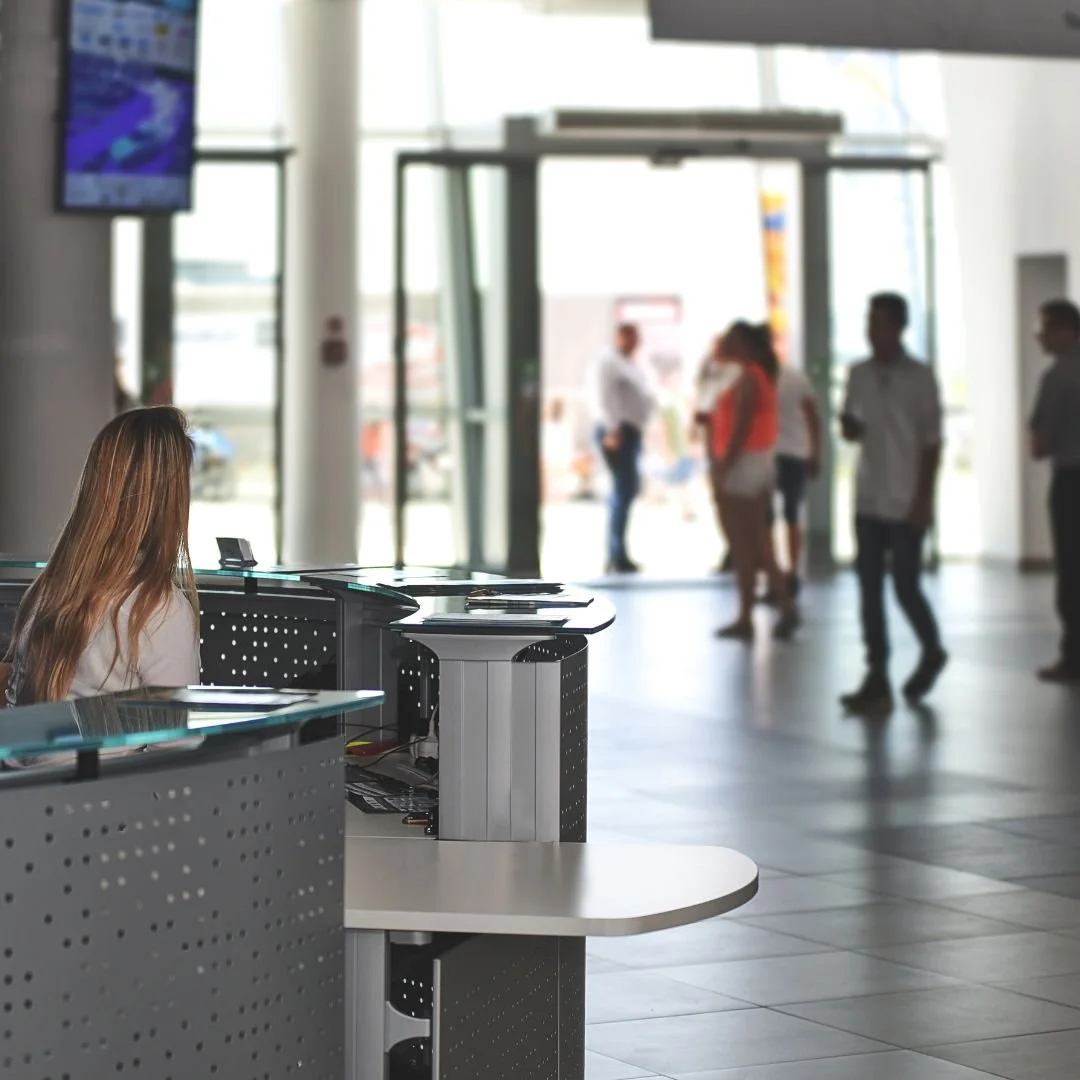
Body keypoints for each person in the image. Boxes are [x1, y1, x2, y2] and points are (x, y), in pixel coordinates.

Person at [5, 407, 200, 707]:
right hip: (117, 757)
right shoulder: (161, 611)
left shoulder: (45, 591)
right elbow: (174, 746)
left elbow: (14, 704)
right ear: (168, 501)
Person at [840, 293, 947, 712]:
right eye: (869, 322)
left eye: (881, 323)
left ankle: (931, 647)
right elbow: (852, 428)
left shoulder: (920, 378)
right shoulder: (858, 373)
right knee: (869, 590)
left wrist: (924, 500)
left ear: (900, 327)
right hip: (868, 497)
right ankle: (877, 674)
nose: (873, 331)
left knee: (905, 586)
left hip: (905, 498)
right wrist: (848, 426)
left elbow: (932, 443)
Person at [711, 322, 799, 641]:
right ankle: (777, 608)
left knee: (747, 545)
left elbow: (740, 428)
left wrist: (724, 466)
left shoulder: (748, 377)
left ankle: (751, 615)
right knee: (757, 544)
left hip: (745, 465)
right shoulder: (752, 376)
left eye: (732, 340)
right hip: (754, 463)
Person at [1030, 299, 1080, 683]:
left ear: (1065, 331)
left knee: (1071, 569)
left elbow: (1040, 443)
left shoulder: (1057, 376)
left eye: (1045, 329)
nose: (1039, 336)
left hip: (1071, 481)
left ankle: (1074, 656)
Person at [597, 323, 656, 573]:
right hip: (618, 432)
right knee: (622, 492)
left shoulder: (630, 363)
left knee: (627, 491)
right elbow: (605, 397)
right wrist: (612, 430)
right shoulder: (609, 362)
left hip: (630, 432)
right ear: (619, 337)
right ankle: (616, 554)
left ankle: (618, 551)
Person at [770, 361, 822, 597]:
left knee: (790, 515)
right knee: (769, 520)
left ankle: (790, 573)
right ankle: (778, 575)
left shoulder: (794, 378)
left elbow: (813, 417)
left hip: (791, 453)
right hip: (773, 454)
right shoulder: (761, 378)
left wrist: (815, 453)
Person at [694, 336, 742, 572]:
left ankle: (739, 550)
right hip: (714, 443)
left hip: (727, 445)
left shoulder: (735, 374)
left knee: (733, 500)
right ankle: (732, 547)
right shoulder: (712, 374)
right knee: (720, 499)